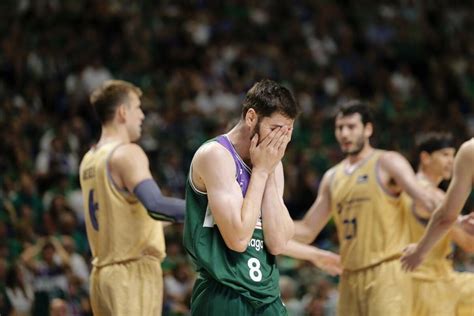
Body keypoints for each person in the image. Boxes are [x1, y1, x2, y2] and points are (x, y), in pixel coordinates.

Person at [183, 79, 341, 316]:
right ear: (251, 117)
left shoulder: (271, 163)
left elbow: (277, 241)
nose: (280, 140)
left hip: (267, 295)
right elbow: (238, 238)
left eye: (287, 132)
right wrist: (261, 172)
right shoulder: (216, 156)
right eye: (275, 129)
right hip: (225, 291)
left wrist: (267, 169)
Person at [292, 100, 440, 316]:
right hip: (349, 276)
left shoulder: (387, 161)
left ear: (368, 129)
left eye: (351, 127)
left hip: (387, 272)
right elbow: (307, 230)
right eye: (339, 128)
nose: (344, 134)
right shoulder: (332, 177)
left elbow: (425, 200)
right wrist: (264, 224)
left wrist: (453, 219)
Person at [79, 80, 186, 315]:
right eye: (138, 107)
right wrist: (212, 210)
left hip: (103, 276)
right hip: (131, 276)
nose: (142, 115)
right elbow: (156, 206)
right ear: (122, 112)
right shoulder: (127, 153)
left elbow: (125, 219)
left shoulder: (89, 159)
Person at [400, 132, 474, 315]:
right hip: (426, 280)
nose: (451, 160)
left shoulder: (412, 189)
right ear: (425, 158)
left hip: (429, 277)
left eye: (453, 155)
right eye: (445, 155)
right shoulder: (424, 191)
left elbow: (465, 240)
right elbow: (466, 240)